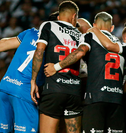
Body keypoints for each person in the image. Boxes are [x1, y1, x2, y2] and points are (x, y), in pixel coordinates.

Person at [44, 11, 125, 133]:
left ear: (94, 25)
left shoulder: (89, 36)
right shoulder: (119, 44)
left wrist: (55, 67)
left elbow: (80, 52)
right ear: (112, 27)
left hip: (96, 97)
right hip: (117, 99)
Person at [0, 12, 59, 133]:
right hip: (24, 91)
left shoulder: (30, 33)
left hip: (5, 86)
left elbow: (0, 47)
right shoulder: (56, 43)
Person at [30, 1, 82, 133]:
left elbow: (40, 51)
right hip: (75, 91)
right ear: (74, 16)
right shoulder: (81, 35)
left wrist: (33, 80)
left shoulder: (49, 25)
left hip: (54, 88)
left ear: (59, 16)